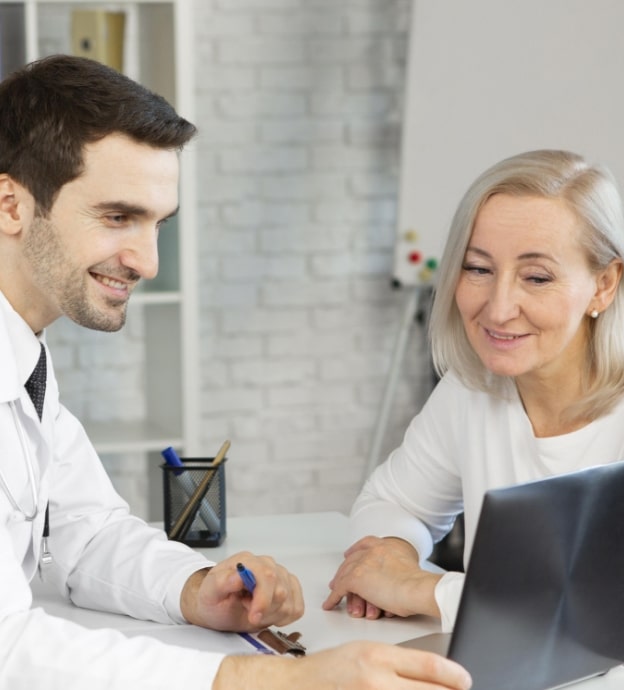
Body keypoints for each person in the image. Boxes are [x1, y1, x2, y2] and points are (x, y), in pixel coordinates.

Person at [0, 55, 472, 690]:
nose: (148, 261)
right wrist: (271, 681)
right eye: (118, 217)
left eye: (156, 223)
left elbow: (85, 535)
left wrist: (196, 589)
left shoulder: (24, 358)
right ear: (11, 206)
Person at [323, 149, 624, 690]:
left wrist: (423, 590)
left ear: (604, 285)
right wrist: (392, 555)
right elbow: (392, 503)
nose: (497, 309)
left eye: (536, 277)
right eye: (478, 269)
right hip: (520, 673)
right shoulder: (477, 383)